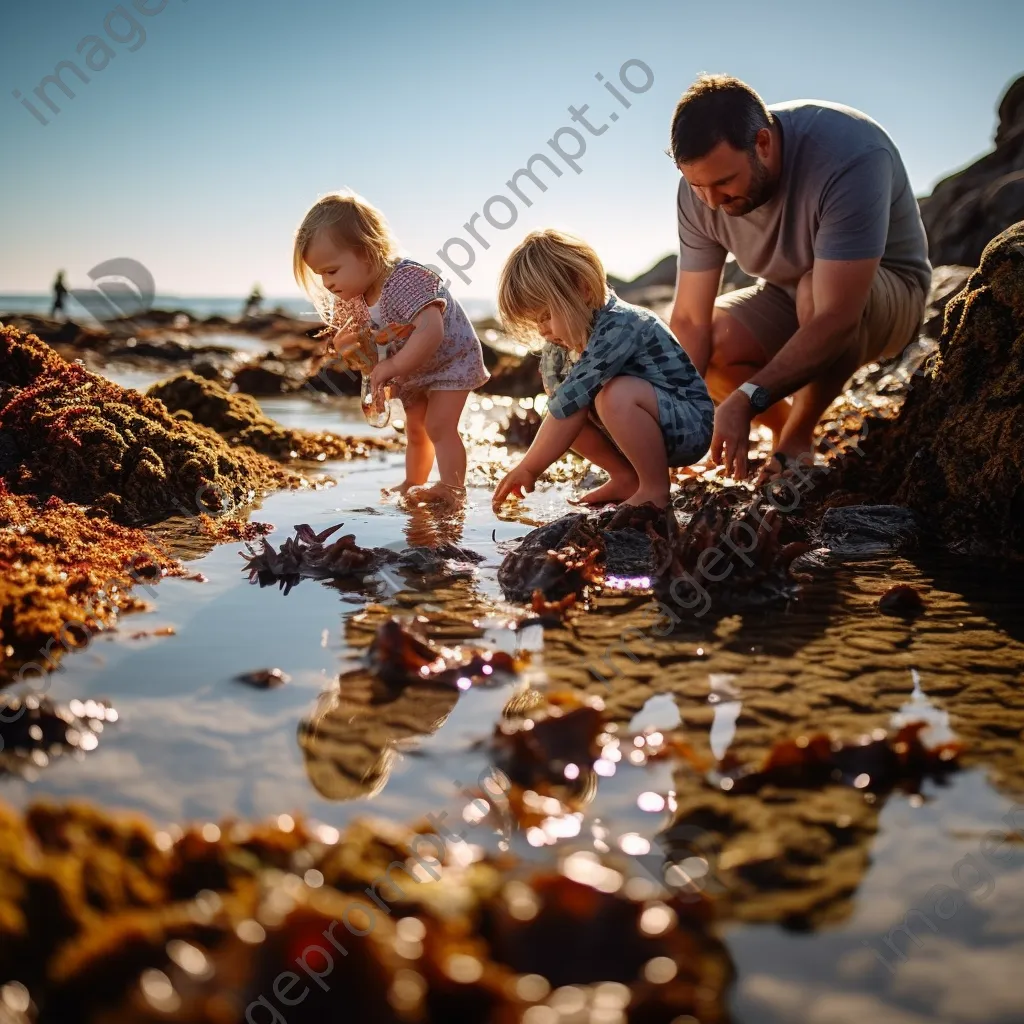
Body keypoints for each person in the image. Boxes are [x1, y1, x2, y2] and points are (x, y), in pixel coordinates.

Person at [667, 74, 932, 481]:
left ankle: (798, 437)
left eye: (724, 182)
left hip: (886, 294)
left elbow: (836, 318)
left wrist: (745, 400)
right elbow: (690, 320)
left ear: (763, 143)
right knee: (714, 334)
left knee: (816, 293)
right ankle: (782, 427)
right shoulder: (701, 193)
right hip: (786, 292)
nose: (712, 202)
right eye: (697, 186)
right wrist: (677, 425)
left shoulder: (849, 153)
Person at [492, 229, 714, 511]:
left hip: (688, 426)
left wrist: (529, 467)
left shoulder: (621, 324)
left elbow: (570, 405)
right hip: (639, 431)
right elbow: (561, 407)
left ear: (583, 290)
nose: (543, 330)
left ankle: (655, 489)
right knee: (567, 406)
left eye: (547, 315)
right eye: (536, 322)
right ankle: (625, 477)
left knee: (613, 396)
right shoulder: (560, 348)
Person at [293, 190, 489, 503]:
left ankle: (453, 490)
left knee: (439, 426)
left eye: (331, 270)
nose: (327, 282)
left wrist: (394, 367)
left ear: (368, 251)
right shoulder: (351, 297)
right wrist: (342, 347)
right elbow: (353, 339)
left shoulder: (404, 279)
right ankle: (414, 481)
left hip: (450, 359)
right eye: (320, 275)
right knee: (415, 430)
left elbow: (431, 330)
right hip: (413, 370)